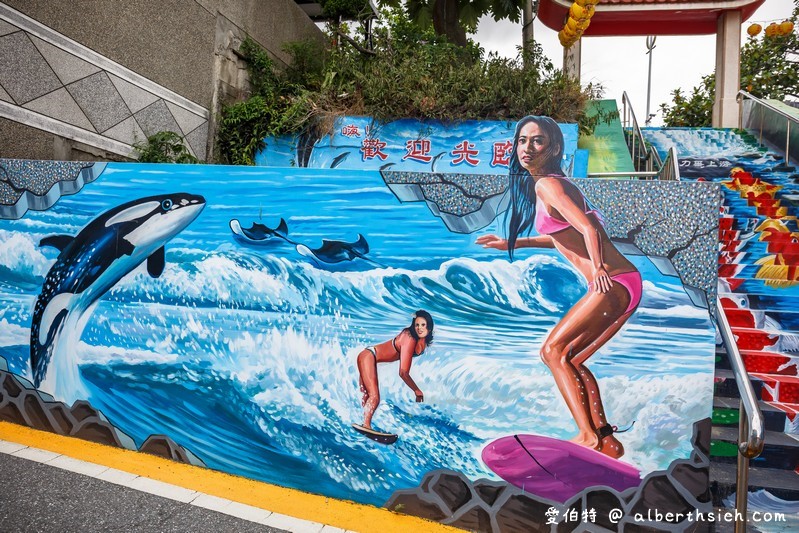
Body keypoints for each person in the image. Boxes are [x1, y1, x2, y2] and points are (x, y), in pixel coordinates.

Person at [476, 116, 641, 458]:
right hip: (626, 282)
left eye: (536, 141)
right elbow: (561, 238)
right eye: (522, 140)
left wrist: (596, 269)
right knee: (574, 359)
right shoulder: (556, 184)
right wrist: (513, 243)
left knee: (552, 352)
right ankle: (606, 439)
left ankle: (586, 436)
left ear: (552, 147)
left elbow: (589, 231)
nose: (526, 148)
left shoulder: (547, 185)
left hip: (611, 280)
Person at [356, 310, 434, 430]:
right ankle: (366, 426)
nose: (419, 328)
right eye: (417, 325)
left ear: (429, 326)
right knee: (374, 397)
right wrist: (416, 390)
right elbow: (403, 372)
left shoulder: (422, 341)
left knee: (367, 398)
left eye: (423, 325)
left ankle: (361, 424)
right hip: (368, 356)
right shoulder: (409, 338)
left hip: (370, 358)